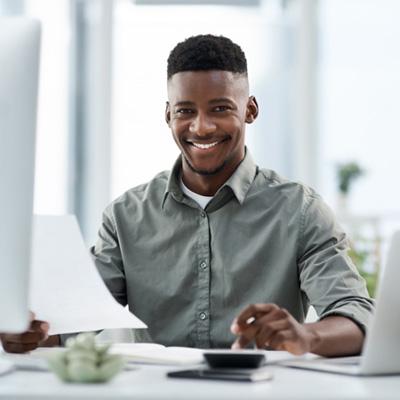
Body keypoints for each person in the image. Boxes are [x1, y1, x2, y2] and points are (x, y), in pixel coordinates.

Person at [1, 34, 374, 356]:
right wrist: (28, 332)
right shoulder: (125, 217)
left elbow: (357, 314)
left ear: (250, 110)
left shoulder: (300, 210)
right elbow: (74, 324)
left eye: (220, 109)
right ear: (168, 116)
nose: (201, 126)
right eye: (185, 111)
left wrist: (304, 335)